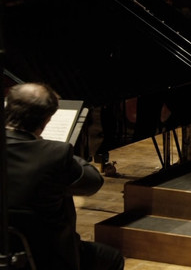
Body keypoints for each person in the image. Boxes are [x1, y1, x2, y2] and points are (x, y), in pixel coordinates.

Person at [5, 83, 125, 270]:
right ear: (47, 120)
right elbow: (93, 182)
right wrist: (56, 149)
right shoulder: (54, 154)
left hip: (5, 252)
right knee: (112, 258)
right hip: (46, 258)